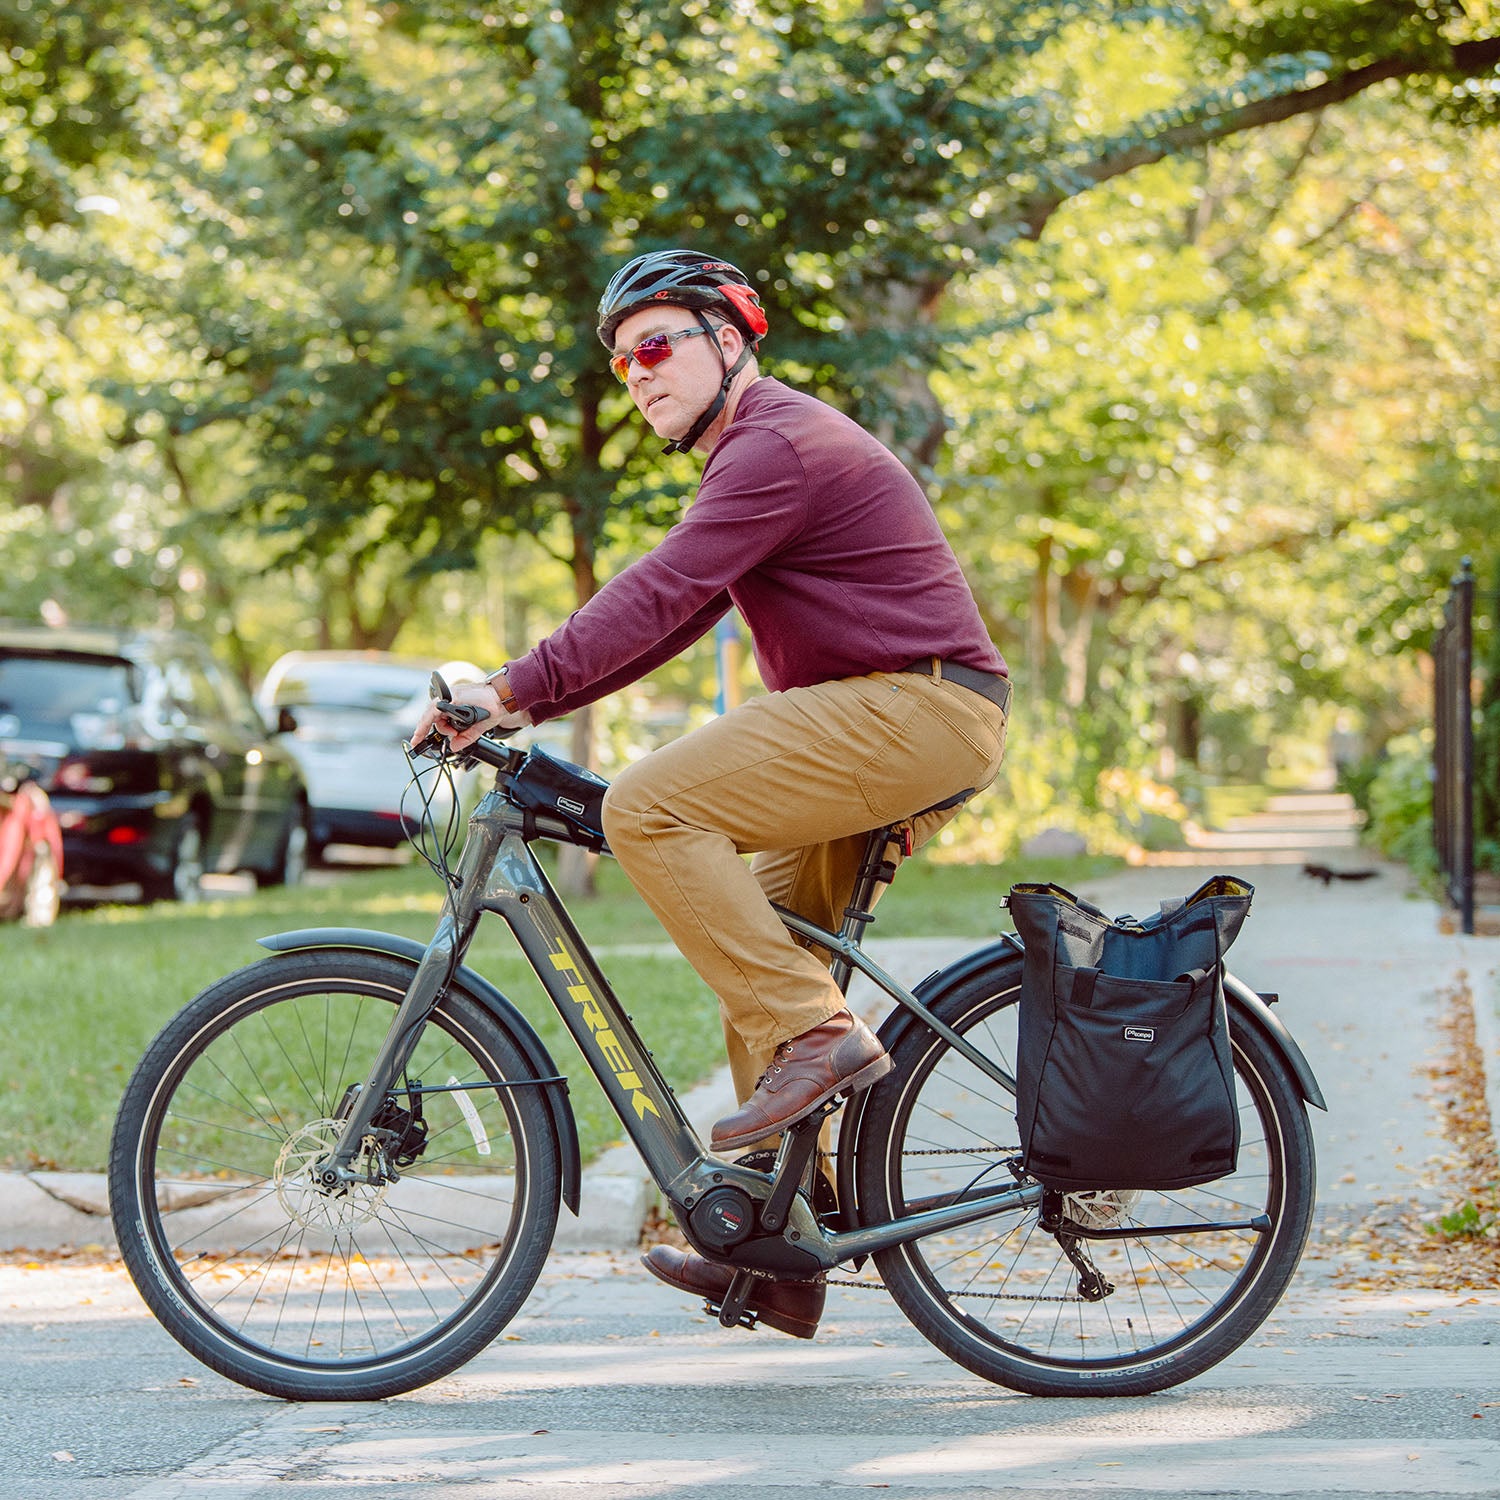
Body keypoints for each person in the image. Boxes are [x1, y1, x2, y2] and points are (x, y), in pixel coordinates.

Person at [413, 248, 1011, 1339]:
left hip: (914, 709)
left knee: (649, 808)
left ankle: (817, 1039)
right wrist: (528, 703)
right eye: (622, 363)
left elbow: (661, 588)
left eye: (657, 346)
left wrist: (505, 689)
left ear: (727, 342)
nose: (638, 375)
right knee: (771, 952)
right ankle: (788, 1249)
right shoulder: (754, 454)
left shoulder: (773, 443)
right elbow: (675, 613)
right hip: (897, 714)